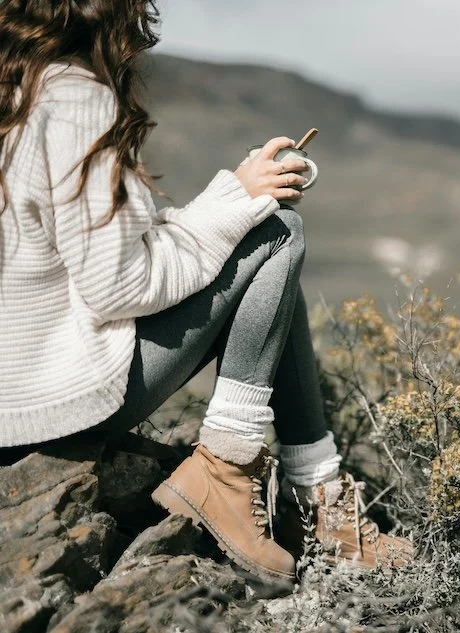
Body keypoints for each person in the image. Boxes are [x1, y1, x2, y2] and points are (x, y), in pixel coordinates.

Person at [0, 0, 410, 583]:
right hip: (56, 405)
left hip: (12, 404)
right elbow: (119, 284)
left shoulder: (13, 90)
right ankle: (236, 472)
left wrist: (232, 204)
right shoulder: (71, 99)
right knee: (274, 232)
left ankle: (316, 499)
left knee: (257, 233)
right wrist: (238, 204)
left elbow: (93, 256)